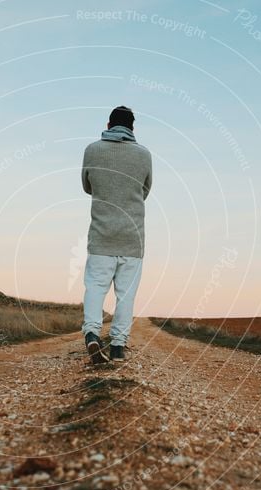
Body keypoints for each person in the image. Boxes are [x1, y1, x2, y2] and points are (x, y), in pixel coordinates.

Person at [80, 105, 152, 363]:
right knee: (126, 294)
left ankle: (91, 334)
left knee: (95, 288)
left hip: (101, 236)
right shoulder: (144, 155)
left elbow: (87, 186)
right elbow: (145, 190)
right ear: (132, 128)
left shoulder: (92, 150)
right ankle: (119, 347)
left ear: (109, 125)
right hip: (132, 238)